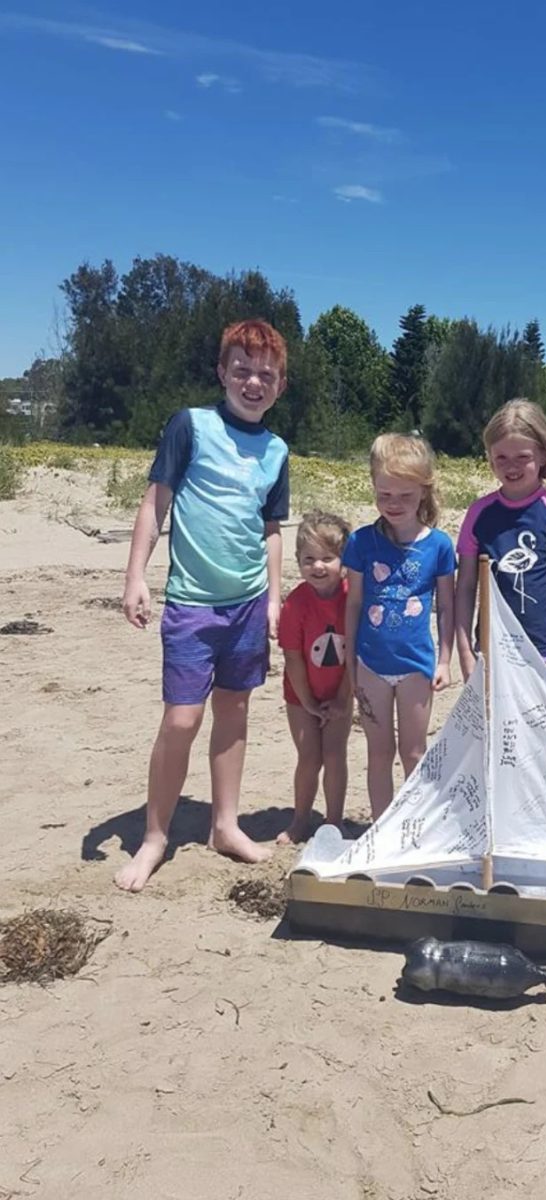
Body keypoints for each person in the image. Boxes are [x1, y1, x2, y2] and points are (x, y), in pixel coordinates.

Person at [116, 319, 290, 892]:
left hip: (247, 604)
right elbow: (155, 501)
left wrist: (273, 596)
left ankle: (225, 825)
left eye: (266, 374)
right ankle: (155, 837)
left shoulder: (277, 450)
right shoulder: (191, 425)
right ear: (222, 373)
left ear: (280, 384)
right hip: (192, 604)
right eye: (242, 370)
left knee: (234, 712)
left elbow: (270, 529)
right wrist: (136, 575)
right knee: (182, 718)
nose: (253, 382)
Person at [344, 434, 455, 820]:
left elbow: (446, 606)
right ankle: (382, 827)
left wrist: (444, 660)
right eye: (385, 494)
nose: (394, 504)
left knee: (413, 751)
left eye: (405, 496)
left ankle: (414, 825)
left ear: (423, 493)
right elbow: (354, 603)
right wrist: (350, 663)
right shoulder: (360, 542)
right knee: (378, 751)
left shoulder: (439, 546)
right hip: (371, 664)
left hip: (416, 666)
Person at [454, 399, 546, 687]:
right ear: (490, 458)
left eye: (522, 457)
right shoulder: (479, 513)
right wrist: (465, 652)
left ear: (542, 456)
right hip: (493, 650)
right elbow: (465, 587)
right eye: (501, 457)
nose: (511, 466)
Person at [277, 510, 352, 843]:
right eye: (309, 559)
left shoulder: (353, 598)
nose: (318, 567)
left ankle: (334, 821)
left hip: (341, 690)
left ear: (344, 560)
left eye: (327, 558)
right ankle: (300, 820)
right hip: (300, 693)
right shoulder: (295, 604)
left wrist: (341, 699)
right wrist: (308, 703)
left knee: (334, 754)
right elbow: (292, 658)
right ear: (298, 561)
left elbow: (356, 656)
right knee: (309, 758)